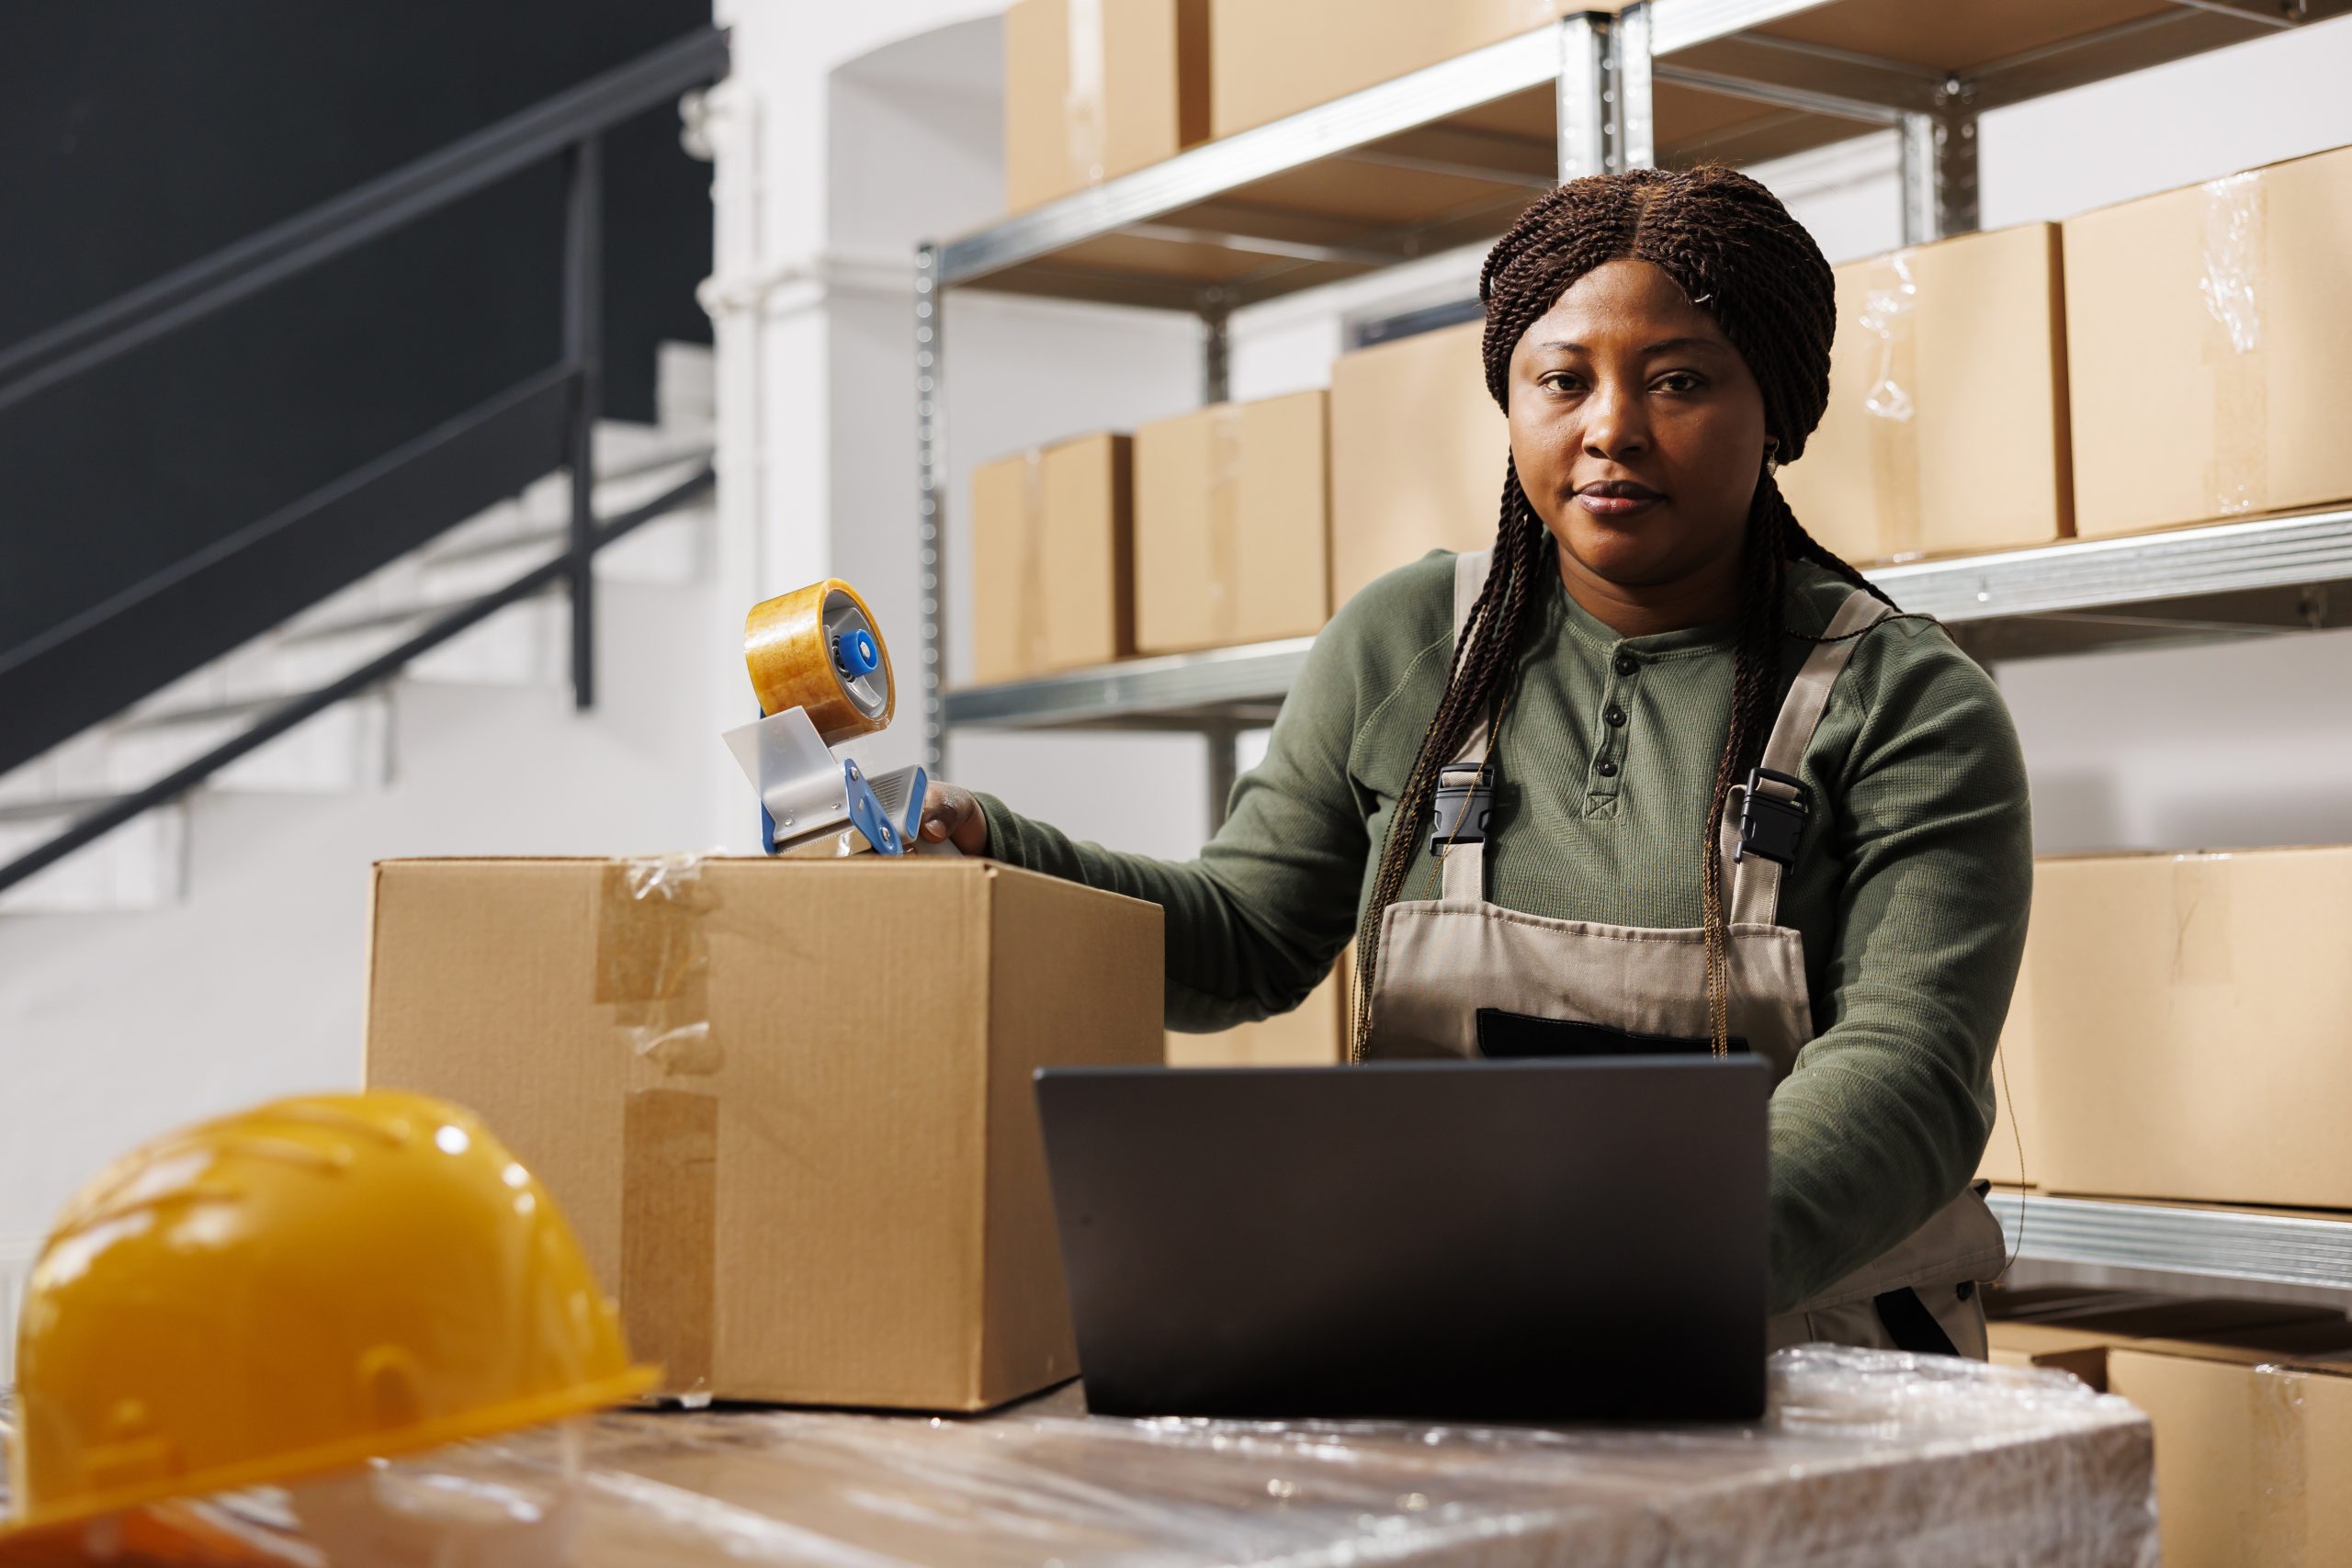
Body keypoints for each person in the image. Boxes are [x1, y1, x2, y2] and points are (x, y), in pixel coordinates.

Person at [920, 166, 2030, 1357]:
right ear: (1511, 400)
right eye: (1562, 380)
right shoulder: (1407, 647)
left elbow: (1907, 1071)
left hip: (1812, 1349)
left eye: (1680, 380)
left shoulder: (1905, 702)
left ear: (1780, 408)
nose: (1611, 426)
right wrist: (994, 852)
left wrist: (1644, 1257)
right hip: (1453, 1321)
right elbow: (1241, 938)